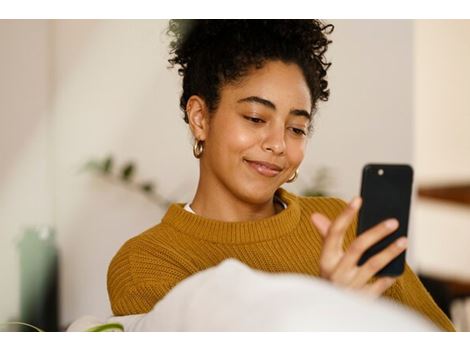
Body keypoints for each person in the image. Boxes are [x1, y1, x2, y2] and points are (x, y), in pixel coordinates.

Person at [107, 19, 455, 331]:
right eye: (256, 118)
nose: (278, 144)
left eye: (297, 128)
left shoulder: (343, 225)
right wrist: (333, 314)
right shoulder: (146, 262)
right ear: (200, 117)